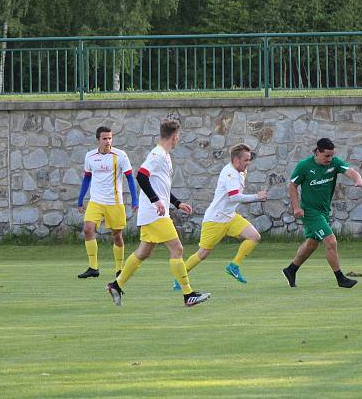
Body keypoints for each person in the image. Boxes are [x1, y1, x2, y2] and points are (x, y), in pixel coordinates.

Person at [106, 119, 210, 307]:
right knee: (177, 249)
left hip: (152, 213)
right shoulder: (158, 154)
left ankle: (116, 284)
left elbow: (159, 185)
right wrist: (156, 200)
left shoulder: (164, 155)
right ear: (175, 136)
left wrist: (177, 203)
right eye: (178, 137)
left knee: (144, 252)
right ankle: (188, 294)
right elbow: (141, 176)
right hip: (155, 214)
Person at [174, 143, 266, 290]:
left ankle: (234, 266)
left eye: (249, 159)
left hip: (230, 217)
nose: (248, 163)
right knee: (203, 253)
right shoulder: (229, 173)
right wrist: (257, 196)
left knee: (255, 237)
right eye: (246, 160)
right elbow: (234, 197)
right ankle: (180, 278)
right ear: (236, 160)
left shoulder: (241, 172)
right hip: (215, 220)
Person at [282, 138, 362, 289]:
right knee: (331, 241)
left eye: (332, 156)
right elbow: (293, 185)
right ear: (317, 152)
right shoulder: (304, 166)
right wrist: (296, 208)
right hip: (310, 212)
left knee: (311, 244)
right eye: (326, 156)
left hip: (324, 211)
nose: (330, 159)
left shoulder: (334, 163)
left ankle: (291, 270)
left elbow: (351, 171)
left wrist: (358, 180)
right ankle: (340, 278)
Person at [76, 126, 138, 280]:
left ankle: (119, 269)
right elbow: (87, 179)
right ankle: (93, 267)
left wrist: (135, 200)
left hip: (114, 202)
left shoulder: (121, 155)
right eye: (104, 138)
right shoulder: (90, 156)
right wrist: (80, 199)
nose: (108, 141)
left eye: (110, 138)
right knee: (88, 229)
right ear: (98, 140)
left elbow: (130, 178)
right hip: (95, 201)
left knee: (117, 235)